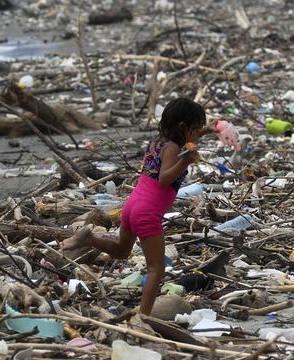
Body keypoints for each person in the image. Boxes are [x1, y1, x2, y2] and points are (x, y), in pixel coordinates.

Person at [61, 97, 214, 315]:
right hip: (147, 212)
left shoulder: (158, 142)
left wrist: (207, 130)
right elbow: (164, 179)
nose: (197, 132)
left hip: (133, 205)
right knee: (156, 269)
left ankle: (90, 239)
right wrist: (186, 161)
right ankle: (142, 317)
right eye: (196, 127)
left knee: (122, 251)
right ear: (183, 127)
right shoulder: (175, 150)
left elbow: (185, 141)